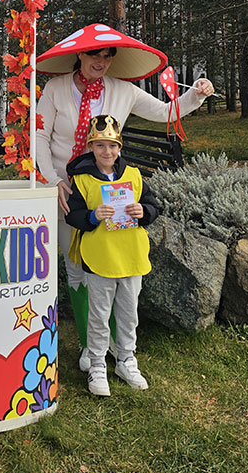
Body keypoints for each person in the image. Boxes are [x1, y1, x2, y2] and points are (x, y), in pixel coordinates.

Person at [35, 24, 215, 370]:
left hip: (107, 193)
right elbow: (40, 135)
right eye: (94, 54)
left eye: (107, 56)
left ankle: (118, 348)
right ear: (80, 54)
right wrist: (52, 180)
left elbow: (165, 112)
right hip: (67, 192)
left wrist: (197, 94)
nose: (100, 61)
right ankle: (89, 345)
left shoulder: (123, 90)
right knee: (76, 267)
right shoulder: (56, 89)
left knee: (108, 268)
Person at [65, 115, 158, 395]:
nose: (107, 151)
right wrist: (92, 216)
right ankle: (96, 365)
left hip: (131, 257)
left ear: (120, 147)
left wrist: (144, 212)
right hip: (100, 259)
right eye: (100, 145)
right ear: (91, 147)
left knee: (128, 315)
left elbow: (153, 206)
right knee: (99, 315)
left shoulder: (134, 176)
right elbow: (73, 216)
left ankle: (126, 359)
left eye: (112, 146)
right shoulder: (82, 180)